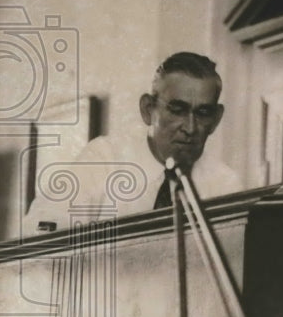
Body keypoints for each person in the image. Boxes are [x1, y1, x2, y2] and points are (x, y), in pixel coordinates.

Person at [30, 52, 242, 228]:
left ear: (215, 119)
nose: (190, 127)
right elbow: (42, 237)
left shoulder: (225, 185)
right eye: (177, 110)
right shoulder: (104, 160)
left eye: (203, 113)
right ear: (148, 109)